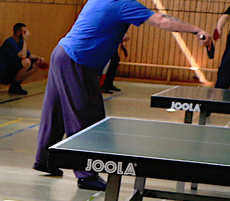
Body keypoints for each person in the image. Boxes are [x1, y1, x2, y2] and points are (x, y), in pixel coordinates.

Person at [32, 0, 211, 190]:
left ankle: (44, 160)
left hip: (62, 54)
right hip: (78, 60)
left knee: (55, 111)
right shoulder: (123, 4)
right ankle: (86, 174)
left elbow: (99, 21)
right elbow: (161, 21)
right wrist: (197, 29)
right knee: (87, 116)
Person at [0, 23, 46, 95]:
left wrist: (39, 58)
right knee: (26, 62)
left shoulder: (20, 42)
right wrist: (25, 40)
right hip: (3, 73)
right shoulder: (10, 42)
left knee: (35, 64)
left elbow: (29, 55)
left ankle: (16, 84)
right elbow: (23, 56)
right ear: (18, 32)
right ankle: (14, 86)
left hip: (12, 70)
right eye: (24, 32)